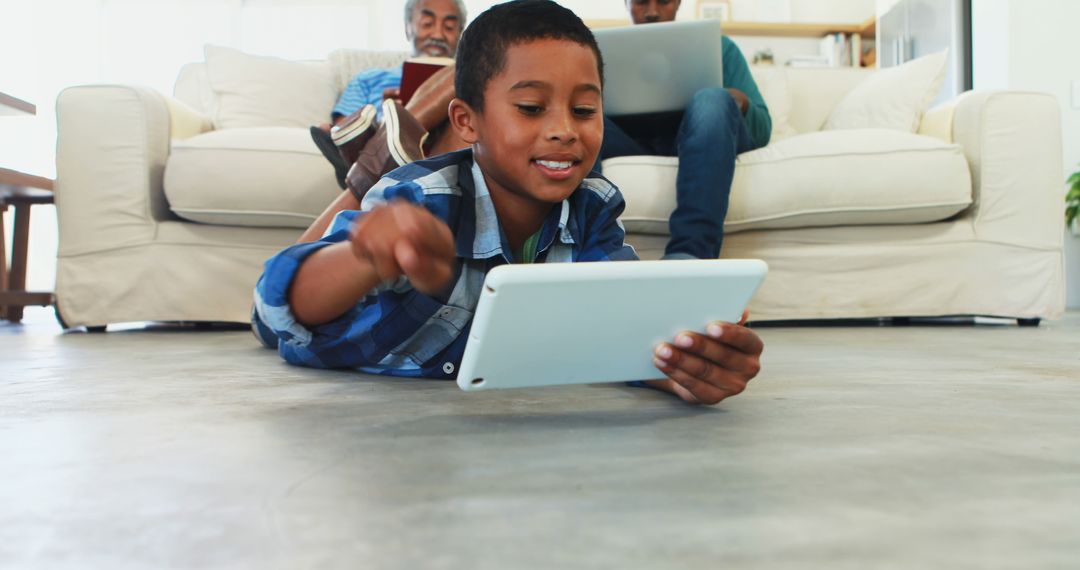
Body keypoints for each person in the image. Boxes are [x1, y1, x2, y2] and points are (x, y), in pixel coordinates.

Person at [254, 0, 764, 406]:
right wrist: (365, 256)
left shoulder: (592, 212)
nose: (565, 130)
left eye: (585, 109)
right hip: (339, 353)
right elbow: (277, 307)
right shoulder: (422, 198)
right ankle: (377, 158)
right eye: (530, 108)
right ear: (466, 121)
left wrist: (683, 369)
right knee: (270, 314)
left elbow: (611, 335)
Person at [599, 0, 772, 260]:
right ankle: (592, 249)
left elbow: (763, 131)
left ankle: (690, 255)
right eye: (641, 2)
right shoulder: (602, 53)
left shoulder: (720, 48)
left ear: (678, 3)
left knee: (713, 100)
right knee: (580, 117)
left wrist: (740, 101)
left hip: (703, 139)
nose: (653, 12)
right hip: (630, 142)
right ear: (627, 4)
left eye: (664, 1)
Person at [310, 0, 469, 192]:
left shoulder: (470, 81)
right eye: (427, 24)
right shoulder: (369, 79)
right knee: (341, 132)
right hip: (411, 161)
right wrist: (385, 119)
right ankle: (383, 144)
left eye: (449, 27)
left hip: (446, 150)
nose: (437, 34)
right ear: (407, 27)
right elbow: (345, 128)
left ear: (460, 33)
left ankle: (371, 164)